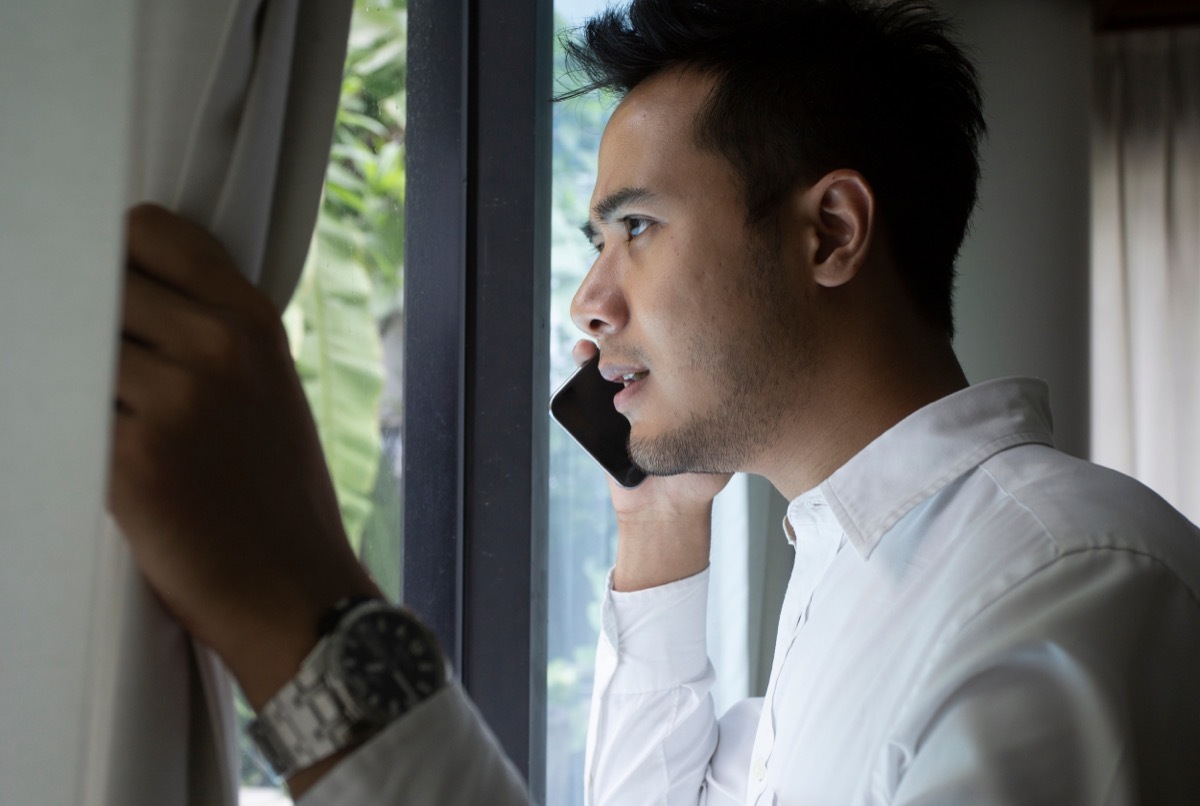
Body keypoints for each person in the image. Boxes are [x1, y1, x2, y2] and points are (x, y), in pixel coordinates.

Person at [109, 0, 1200, 804]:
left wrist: (317, 639)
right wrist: (662, 525)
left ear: (829, 233)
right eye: (596, 239)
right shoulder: (854, 564)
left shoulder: (1064, 585)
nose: (588, 301)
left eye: (636, 226)